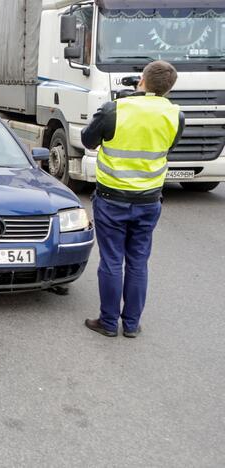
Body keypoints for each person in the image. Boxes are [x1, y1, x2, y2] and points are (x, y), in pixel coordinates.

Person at [81, 60, 184, 338]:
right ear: (169, 88)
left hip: (111, 198)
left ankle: (108, 322)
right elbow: (169, 146)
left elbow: (88, 140)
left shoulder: (116, 109)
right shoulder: (175, 115)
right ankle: (131, 324)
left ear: (142, 80)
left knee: (112, 260)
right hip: (149, 200)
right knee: (138, 262)